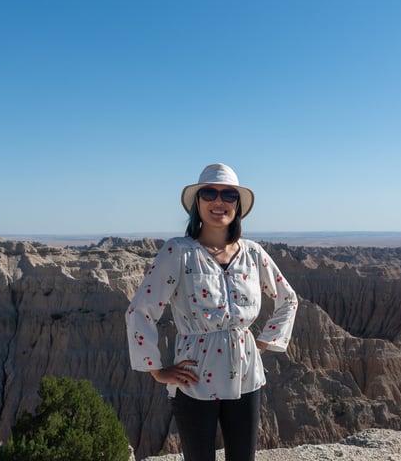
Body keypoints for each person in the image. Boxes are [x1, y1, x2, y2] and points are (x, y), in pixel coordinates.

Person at [126, 163, 298, 461]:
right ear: (198, 203)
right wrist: (156, 370)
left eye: (229, 195)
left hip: (246, 374)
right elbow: (140, 310)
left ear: (238, 205)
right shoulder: (178, 252)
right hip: (194, 377)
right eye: (209, 193)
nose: (219, 201)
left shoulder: (253, 253)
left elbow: (288, 299)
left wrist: (263, 343)